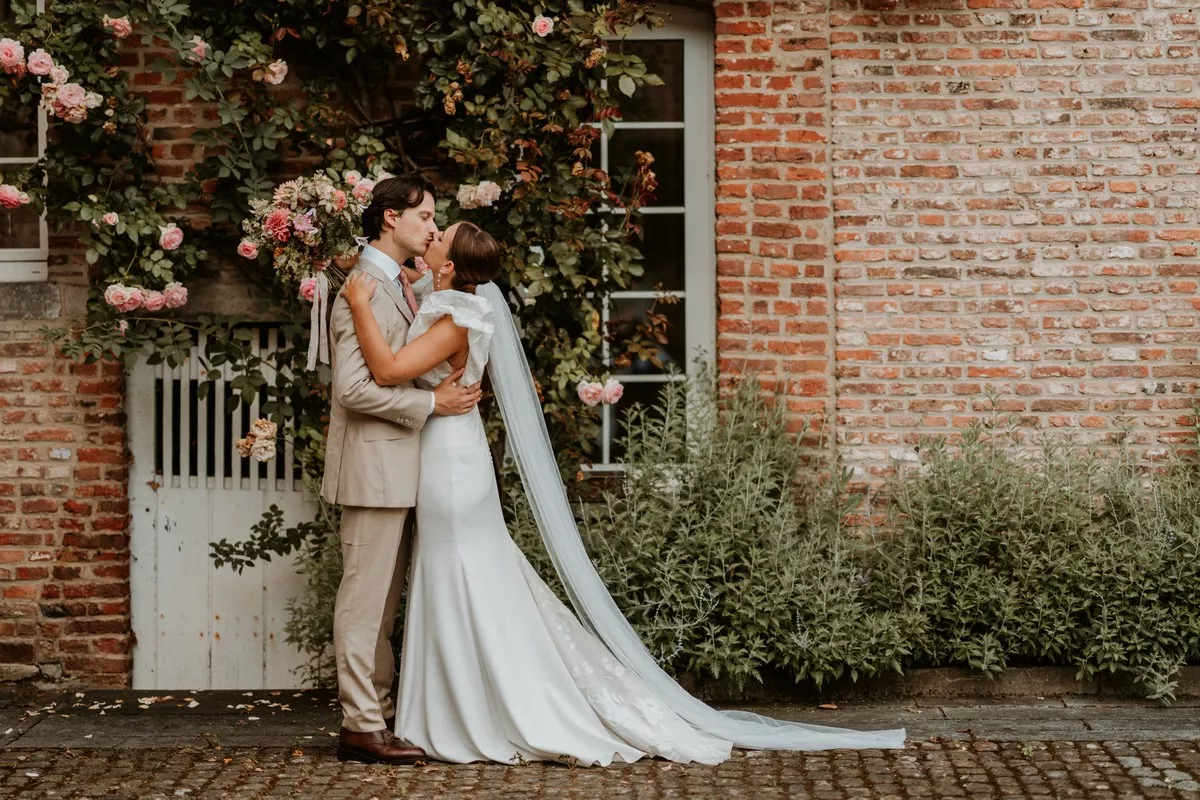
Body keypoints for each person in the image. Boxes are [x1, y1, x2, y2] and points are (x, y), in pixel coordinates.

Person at [340, 219, 907, 765]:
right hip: (447, 451)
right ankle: (454, 705)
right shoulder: (450, 300)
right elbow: (402, 283)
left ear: (453, 266)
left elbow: (388, 371)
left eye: (441, 235)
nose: (432, 233)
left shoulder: (455, 319)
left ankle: (468, 712)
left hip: (450, 465)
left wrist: (359, 303)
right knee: (461, 576)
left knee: (457, 575)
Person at [320, 177, 481, 765]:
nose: (433, 228)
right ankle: (361, 725)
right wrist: (432, 403)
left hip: (402, 466)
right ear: (391, 217)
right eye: (427, 216)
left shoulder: (399, 282)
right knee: (364, 602)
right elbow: (353, 390)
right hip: (372, 467)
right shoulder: (360, 290)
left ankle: (379, 715)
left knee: (383, 606)